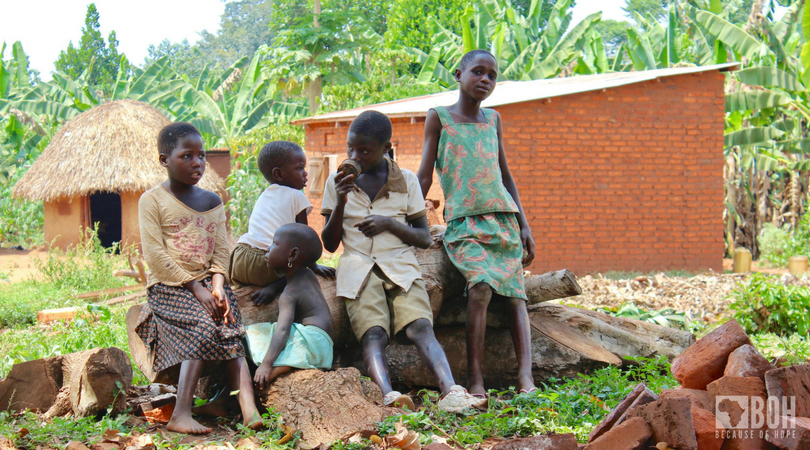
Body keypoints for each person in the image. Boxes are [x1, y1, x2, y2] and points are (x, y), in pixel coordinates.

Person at [321, 110, 485, 412]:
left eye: (364, 151)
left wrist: (390, 224)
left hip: (400, 266)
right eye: (350, 148)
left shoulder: (406, 180)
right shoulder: (337, 183)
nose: (355, 156)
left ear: (386, 148)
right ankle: (389, 396)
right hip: (358, 268)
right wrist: (341, 203)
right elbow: (329, 244)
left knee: (420, 327)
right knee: (374, 333)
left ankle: (451, 391)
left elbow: (423, 238)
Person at [417, 49, 537, 397]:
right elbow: (425, 174)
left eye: (493, 75)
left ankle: (525, 378)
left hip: (503, 221)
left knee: (516, 296)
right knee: (481, 289)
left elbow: (506, 176)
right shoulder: (439, 118)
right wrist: (407, 219)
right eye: (478, 72)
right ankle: (475, 379)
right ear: (459, 74)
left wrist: (524, 224)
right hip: (464, 224)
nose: (485, 79)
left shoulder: (493, 120)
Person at [135, 122, 262, 434]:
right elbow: (155, 255)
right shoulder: (151, 200)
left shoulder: (212, 202)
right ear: (164, 159)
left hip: (208, 283)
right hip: (169, 285)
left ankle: (249, 410)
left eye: (202, 156)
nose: (198, 163)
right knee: (204, 328)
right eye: (187, 156)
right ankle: (180, 412)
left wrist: (217, 285)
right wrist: (195, 288)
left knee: (232, 331)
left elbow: (221, 250)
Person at [229, 141, 335, 306]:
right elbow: (304, 240)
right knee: (302, 269)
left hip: (240, 258)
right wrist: (313, 266)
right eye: (299, 168)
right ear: (278, 174)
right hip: (266, 265)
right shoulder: (296, 196)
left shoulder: (264, 194)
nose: (305, 173)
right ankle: (274, 287)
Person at [247, 223, 335, 389]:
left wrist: (266, 363)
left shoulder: (289, 294)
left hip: (308, 342)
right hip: (324, 348)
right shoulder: (308, 275)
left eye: (274, 243)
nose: (268, 248)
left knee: (250, 334)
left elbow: (283, 329)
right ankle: (288, 364)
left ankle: (277, 367)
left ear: (293, 254)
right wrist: (273, 287)